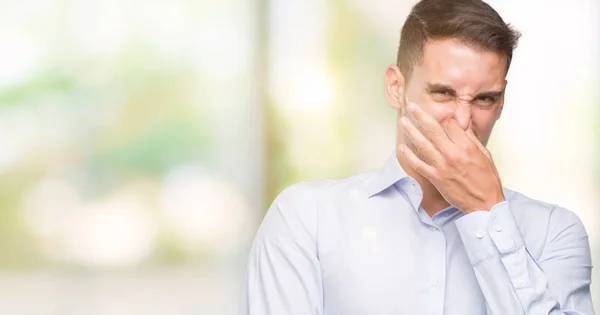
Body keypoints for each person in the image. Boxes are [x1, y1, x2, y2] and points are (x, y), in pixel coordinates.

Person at [239, 0, 595, 314]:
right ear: (396, 87)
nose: (462, 120)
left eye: (484, 98)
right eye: (443, 93)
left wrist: (486, 211)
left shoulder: (554, 233)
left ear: (501, 102)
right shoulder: (306, 219)